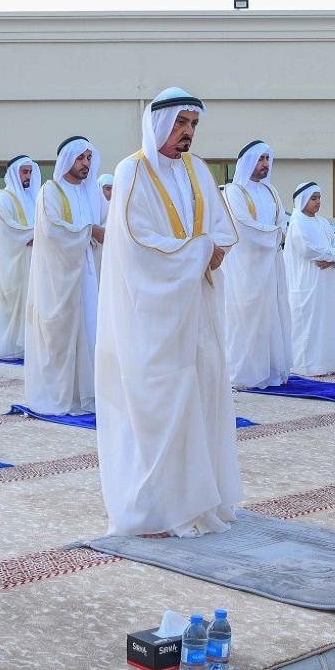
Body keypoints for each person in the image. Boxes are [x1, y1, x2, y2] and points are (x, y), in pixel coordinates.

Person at [97, 87, 242, 536]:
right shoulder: (131, 171)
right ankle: (156, 508)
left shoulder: (198, 170)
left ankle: (199, 503)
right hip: (152, 313)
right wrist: (199, 251)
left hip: (197, 305)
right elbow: (137, 240)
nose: (188, 133)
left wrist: (213, 249)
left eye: (194, 125)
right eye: (181, 124)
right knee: (158, 402)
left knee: (203, 394)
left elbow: (219, 224)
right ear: (159, 123)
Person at [23, 136, 103, 415]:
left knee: (90, 331)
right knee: (59, 335)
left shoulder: (86, 192)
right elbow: (53, 230)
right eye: (80, 158)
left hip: (86, 275)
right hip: (58, 279)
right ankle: (58, 396)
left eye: (89, 159)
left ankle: (85, 394)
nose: (85, 164)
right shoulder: (50, 191)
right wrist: (89, 232)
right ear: (67, 160)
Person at [220, 140, 293, 389]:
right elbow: (242, 225)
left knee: (271, 317)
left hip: (270, 265)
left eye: (267, 160)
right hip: (244, 268)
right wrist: (275, 235)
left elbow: (282, 221)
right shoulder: (233, 191)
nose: (265, 165)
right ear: (248, 162)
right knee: (245, 318)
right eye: (260, 159)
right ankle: (243, 374)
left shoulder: (271, 192)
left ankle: (270, 372)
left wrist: (279, 234)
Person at [284, 183, 335, 377]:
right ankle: (306, 366)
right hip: (306, 281)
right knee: (307, 325)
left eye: (319, 198)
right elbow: (308, 250)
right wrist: (332, 255)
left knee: (326, 321)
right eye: (314, 198)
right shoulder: (297, 222)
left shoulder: (323, 222)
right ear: (302, 200)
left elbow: (334, 250)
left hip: (325, 281)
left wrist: (332, 258)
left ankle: (327, 363)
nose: (318, 202)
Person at [0, 155, 38, 359]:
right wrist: (32, 234)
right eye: (24, 172)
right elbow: (8, 228)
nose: (28, 176)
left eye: (30, 172)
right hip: (12, 262)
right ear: (14, 173)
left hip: (31, 260)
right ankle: (8, 347)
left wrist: (36, 234)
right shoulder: (4, 197)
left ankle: (28, 344)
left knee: (30, 302)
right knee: (12, 305)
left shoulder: (30, 197)